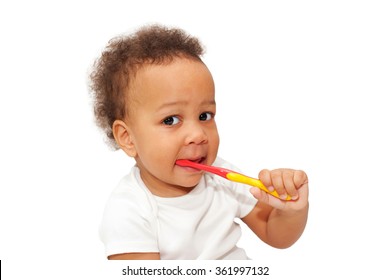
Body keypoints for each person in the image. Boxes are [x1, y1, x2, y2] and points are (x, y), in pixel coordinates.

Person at [89, 24, 309, 260]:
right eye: (171, 120)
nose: (198, 134)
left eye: (205, 116)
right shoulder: (129, 211)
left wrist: (292, 210)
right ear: (127, 138)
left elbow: (274, 234)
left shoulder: (222, 179)